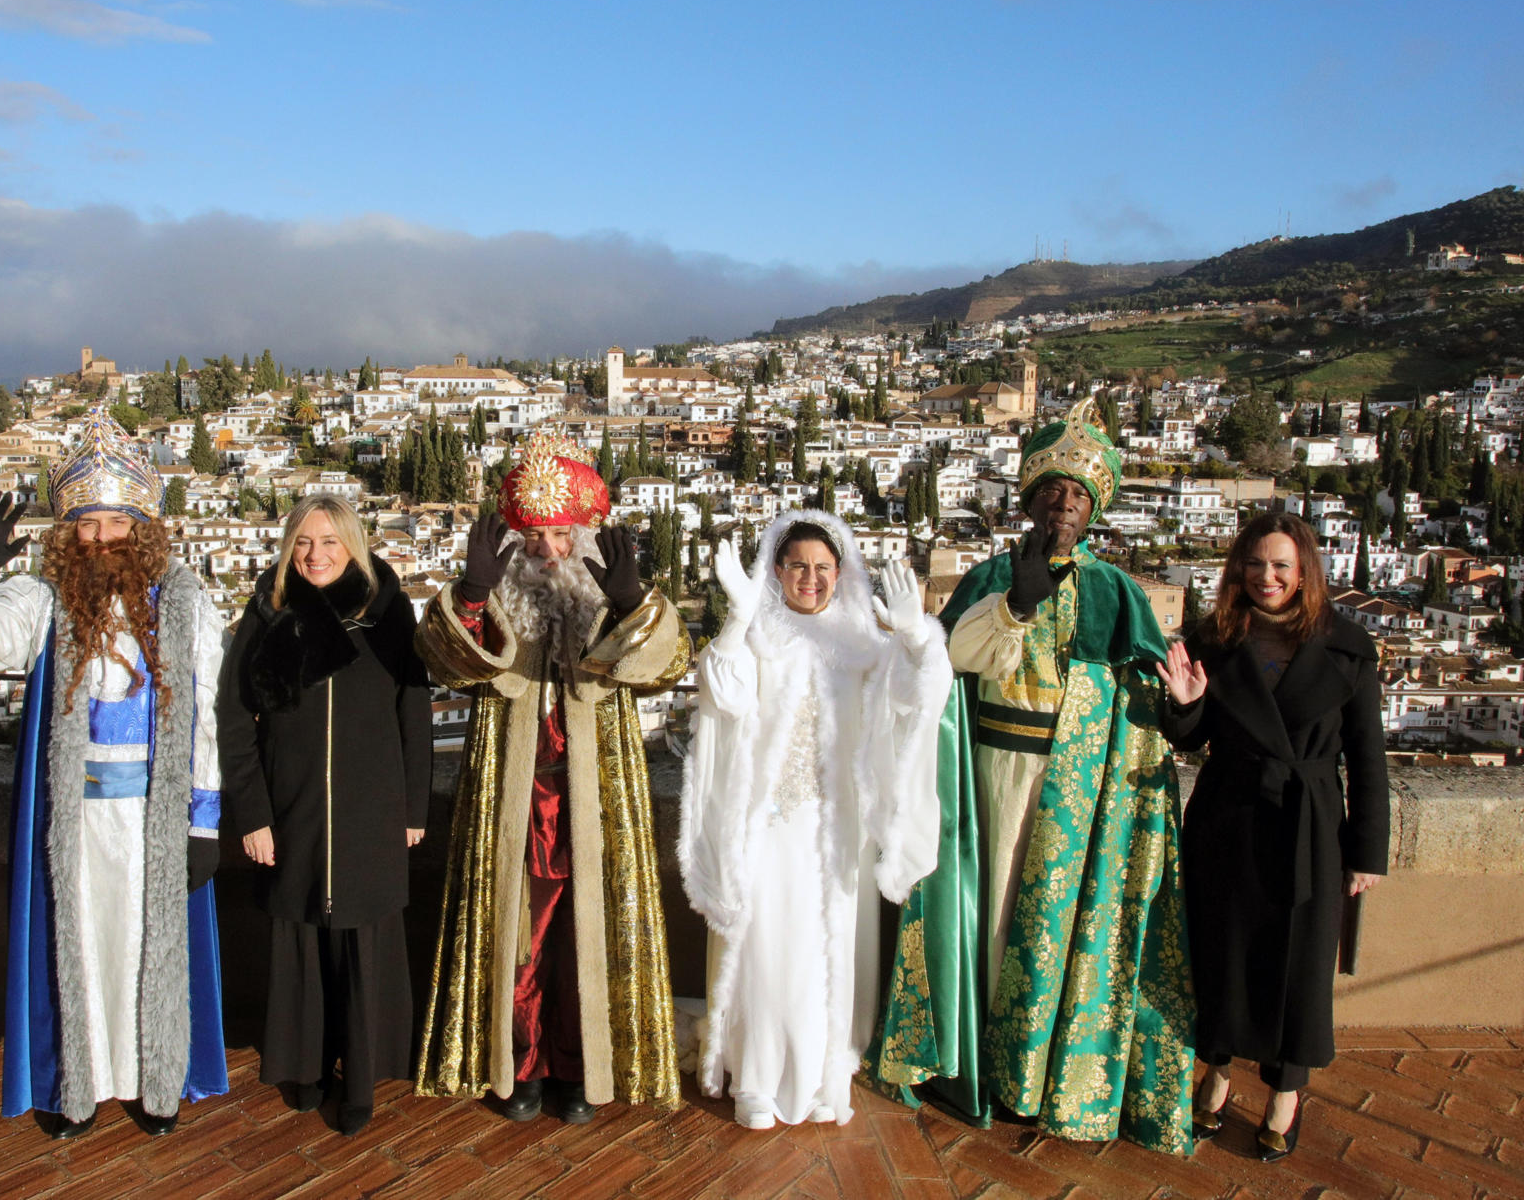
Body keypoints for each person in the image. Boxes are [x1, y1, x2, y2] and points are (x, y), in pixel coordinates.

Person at [866, 398, 1194, 1153]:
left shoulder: (1118, 594)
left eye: (1078, 494)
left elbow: (1149, 702)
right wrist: (1015, 604)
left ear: (1094, 508)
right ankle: (984, 1063)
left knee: (1058, 925)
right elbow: (951, 661)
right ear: (1030, 500)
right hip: (990, 772)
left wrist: (1178, 707)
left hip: (1077, 787)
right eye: (1052, 491)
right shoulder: (990, 574)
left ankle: (1040, 1074)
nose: (1064, 505)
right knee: (991, 917)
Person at [0, 406, 227, 1139]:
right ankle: (77, 1086)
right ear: (68, 533)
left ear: (143, 526)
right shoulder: (43, 600)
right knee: (80, 950)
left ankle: (155, 1082)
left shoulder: (186, 603)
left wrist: (204, 821)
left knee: (145, 949)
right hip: (73, 817)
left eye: (117, 522)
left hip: (154, 816)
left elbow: (210, 713)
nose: (102, 537)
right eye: (87, 524)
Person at [414, 433, 688, 1124]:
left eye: (560, 535)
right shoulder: (496, 601)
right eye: (532, 537)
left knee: (583, 934)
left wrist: (632, 604)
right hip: (511, 792)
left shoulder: (611, 599)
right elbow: (441, 661)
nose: (547, 552)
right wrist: (471, 594)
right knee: (517, 935)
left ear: (583, 536)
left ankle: (580, 1067)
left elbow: (671, 663)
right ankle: (520, 1064)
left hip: (595, 795)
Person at [680, 511, 951, 1129]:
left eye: (823, 567)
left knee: (825, 954)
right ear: (777, 570)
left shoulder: (865, 647)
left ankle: (823, 1078)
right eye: (798, 565)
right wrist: (738, 619)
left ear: (841, 572)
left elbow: (921, 699)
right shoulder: (757, 637)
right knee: (762, 948)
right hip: (766, 828)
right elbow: (723, 694)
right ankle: (755, 1079)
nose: (810, 578)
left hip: (836, 833)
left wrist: (916, 636)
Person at [1156, 512, 1387, 1162]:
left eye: (1282, 565)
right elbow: (1189, 738)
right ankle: (1217, 1073)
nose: (1268, 576)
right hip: (1228, 817)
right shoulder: (1215, 638)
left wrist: (1366, 852)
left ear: (1305, 570)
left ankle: (1286, 1092)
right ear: (1239, 569)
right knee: (1223, 954)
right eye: (1255, 563)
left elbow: (1368, 757)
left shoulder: (1348, 647)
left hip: (1309, 826)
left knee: (1300, 969)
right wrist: (1184, 703)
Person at [218, 496, 432, 1137]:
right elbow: (235, 718)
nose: (316, 555)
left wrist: (413, 806)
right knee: (302, 939)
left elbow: (414, 709)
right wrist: (253, 814)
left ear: (353, 545)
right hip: (294, 811)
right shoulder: (268, 612)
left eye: (330, 541)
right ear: (289, 547)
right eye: (305, 542)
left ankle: (359, 1078)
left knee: (363, 941)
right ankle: (306, 1066)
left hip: (372, 813)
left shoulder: (388, 611)